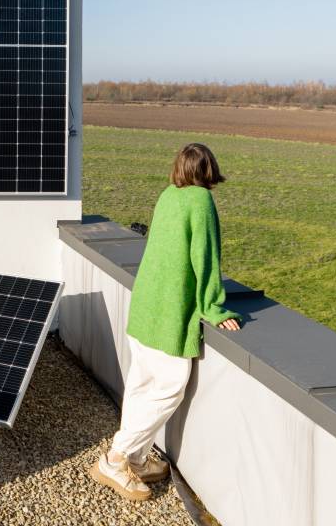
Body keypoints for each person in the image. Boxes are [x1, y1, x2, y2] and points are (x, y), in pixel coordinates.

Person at [91, 142, 242, 502]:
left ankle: (137, 458)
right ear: (209, 169)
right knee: (171, 385)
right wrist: (214, 308)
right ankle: (116, 458)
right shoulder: (200, 202)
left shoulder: (168, 195)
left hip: (145, 307)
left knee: (142, 385)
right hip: (169, 313)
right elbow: (204, 259)